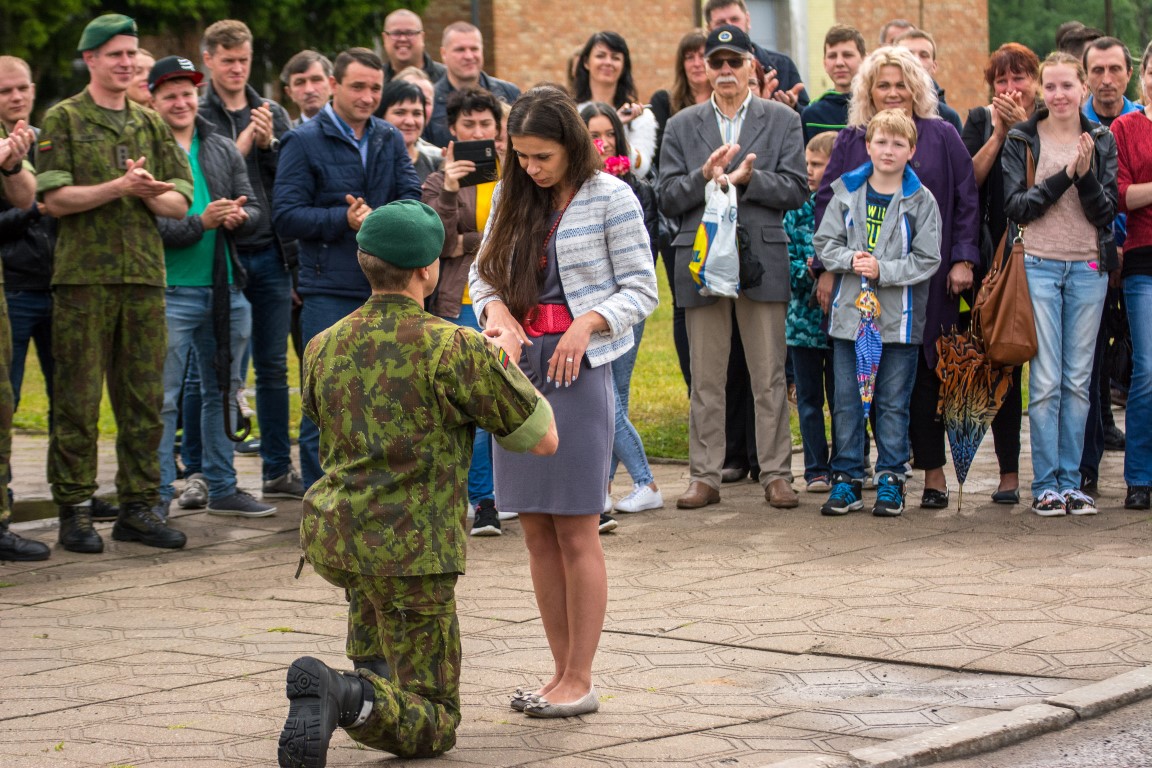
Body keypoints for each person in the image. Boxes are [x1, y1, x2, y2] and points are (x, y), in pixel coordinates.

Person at [277, 200, 558, 767]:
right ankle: (343, 694)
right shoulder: (452, 345)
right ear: (428, 270)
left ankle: (358, 692)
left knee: (383, 671)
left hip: (340, 538)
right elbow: (541, 437)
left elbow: (325, 421)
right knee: (434, 722)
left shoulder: (321, 344)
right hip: (412, 550)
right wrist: (501, 362)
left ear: (364, 262)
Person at [469, 85, 657, 716]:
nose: (530, 167)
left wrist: (589, 323)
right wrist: (497, 313)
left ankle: (581, 677)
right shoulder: (511, 195)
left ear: (571, 145)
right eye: (520, 155)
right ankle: (557, 675)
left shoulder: (612, 197)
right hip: (519, 374)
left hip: (580, 372)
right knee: (535, 530)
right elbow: (481, 276)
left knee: (576, 528)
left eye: (541, 156)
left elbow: (642, 288)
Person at [37, 13, 192, 553]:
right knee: (77, 401)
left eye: (131, 53)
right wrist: (119, 187)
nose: (126, 63)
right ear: (91, 60)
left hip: (144, 277)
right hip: (83, 279)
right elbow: (55, 200)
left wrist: (148, 192)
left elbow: (181, 201)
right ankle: (75, 509)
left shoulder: (149, 122)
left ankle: (138, 508)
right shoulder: (63, 118)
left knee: (144, 400)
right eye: (116, 55)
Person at [814, 46, 979, 511]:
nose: (891, 92)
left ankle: (899, 475)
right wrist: (836, 266)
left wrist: (959, 259)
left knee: (901, 394)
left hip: (909, 306)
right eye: (882, 85)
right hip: (852, 310)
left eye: (900, 84)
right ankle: (847, 476)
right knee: (848, 398)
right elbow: (825, 221)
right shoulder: (850, 163)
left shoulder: (937, 148)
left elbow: (962, 206)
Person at [659, 24, 809, 511]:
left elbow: (796, 187)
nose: (725, 70)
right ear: (705, 69)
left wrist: (748, 180)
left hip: (760, 259)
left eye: (735, 61)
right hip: (701, 261)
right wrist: (704, 176)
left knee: (768, 375)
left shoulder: (783, 119)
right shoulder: (681, 125)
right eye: (716, 62)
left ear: (752, 67)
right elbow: (666, 196)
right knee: (706, 378)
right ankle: (704, 476)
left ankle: (777, 474)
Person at [273, 47, 422, 491]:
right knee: (326, 400)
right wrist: (344, 219)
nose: (368, 97)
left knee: (385, 398)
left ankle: (375, 498)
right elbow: (285, 215)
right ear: (334, 85)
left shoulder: (388, 136)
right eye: (358, 87)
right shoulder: (302, 141)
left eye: (375, 88)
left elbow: (412, 196)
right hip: (328, 289)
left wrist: (382, 217)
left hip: (387, 287)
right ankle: (321, 504)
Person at [148, 56, 272, 519]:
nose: (181, 102)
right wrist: (202, 222)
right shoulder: (147, 150)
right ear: (153, 101)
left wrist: (239, 217)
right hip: (169, 289)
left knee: (224, 391)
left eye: (187, 94)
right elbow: (150, 225)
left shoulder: (219, 145)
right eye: (170, 95)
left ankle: (222, 487)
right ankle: (157, 494)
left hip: (225, 289)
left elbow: (256, 209)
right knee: (162, 398)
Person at [1003, 52, 1117, 516]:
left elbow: (1106, 212)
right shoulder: (1022, 137)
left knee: (1077, 381)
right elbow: (1017, 206)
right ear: (1040, 90)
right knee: (1047, 381)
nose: (1058, 94)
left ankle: (1072, 483)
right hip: (1038, 265)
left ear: (1083, 89)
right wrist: (1067, 175)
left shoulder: (1101, 139)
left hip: (1088, 268)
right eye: (1050, 86)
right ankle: (1045, 485)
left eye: (1067, 85)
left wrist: (1085, 176)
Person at [813, 108, 942, 516]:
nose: (888, 150)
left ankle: (891, 478)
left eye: (898, 143)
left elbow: (928, 258)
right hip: (850, 320)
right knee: (847, 401)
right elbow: (824, 243)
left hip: (897, 321)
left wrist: (883, 270)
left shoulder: (921, 200)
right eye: (881, 142)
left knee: (891, 403)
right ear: (867, 146)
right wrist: (851, 260)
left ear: (911, 150)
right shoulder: (845, 192)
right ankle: (847, 478)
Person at [199, 19, 303, 501]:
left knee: (274, 369)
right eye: (228, 61)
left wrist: (270, 146)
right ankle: (206, 474)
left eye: (243, 60)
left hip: (271, 253)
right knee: (217, 372)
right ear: (209, 61)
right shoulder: (201, 114)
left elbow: (289, 181)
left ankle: (277, 470)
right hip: (222, 258)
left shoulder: (270, 111)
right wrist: (244, 146)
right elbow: (208, 179)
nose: (237, 69)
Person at [421, 87, 508, 535]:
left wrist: (467, 242)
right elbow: (435, 243)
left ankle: (517, 491)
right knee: (473, 406)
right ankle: (484, 500)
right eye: (468, 125)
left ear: (498, 129)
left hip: (513, 303)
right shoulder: (438, 182)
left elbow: (520, 236)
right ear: (452, 132)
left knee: (516, 400)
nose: (477, 132)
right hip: (462, 305)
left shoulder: (517, 174)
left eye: (485, 124)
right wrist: (452, 191)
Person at [961, 42, 1041, 505]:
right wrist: (998, 133)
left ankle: (1060, 472)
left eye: (1019, 78)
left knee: (1052, 373)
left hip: (1046, 256)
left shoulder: (1049, 120)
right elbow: (968, 183)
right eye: (1001, 80)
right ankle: (1008, 473)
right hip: (997, 263)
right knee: (1002, 364)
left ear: (1035, 81)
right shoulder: (978, 120)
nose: (1010, 88)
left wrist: (1024, 130)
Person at [579, 102, 663, 519]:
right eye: (593, 134)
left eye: (609, 133)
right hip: (588, 304)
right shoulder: (576, 188)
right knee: (613, 400)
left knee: (611, 399)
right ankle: (605, 488)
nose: (603, 142)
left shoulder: (637, 188)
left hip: (624, 305)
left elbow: (643, 254)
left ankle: (645, 482)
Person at [1079, 36, 1138, 492]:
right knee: (1090, 366)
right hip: (1090, 260)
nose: (1106, 79)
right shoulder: (1073, 123)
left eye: (1114, 69)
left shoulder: (1139, 121)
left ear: (1129, 74)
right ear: (1086, 77)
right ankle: (1087, 469)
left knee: (1137, 363)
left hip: (1137, 255)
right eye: (1097, 70)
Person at [0, 84, 47, 560]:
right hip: (15, 285)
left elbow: (22, 198)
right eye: (4, 90)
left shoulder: (30, 137)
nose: (15, 96)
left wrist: (12, 165)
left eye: (21, 88)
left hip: (43, 283)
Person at [648, 30, 709, 390]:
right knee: (684, 305)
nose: (697, 63)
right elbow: (660, 161)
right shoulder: (665, 102)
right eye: (689, 56)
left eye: (703, 55)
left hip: (718, 214)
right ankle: (694, 388)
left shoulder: (726, 104)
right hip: (676, 222)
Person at [785, 130, 837, 494]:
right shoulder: (795, 211)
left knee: (843, 399)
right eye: (807, 163)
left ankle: (853, 461)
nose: (809, 171)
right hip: (802, 327)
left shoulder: (844, 209)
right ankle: (816, 469)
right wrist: (810, 271)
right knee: (808, 401)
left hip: (839, 325)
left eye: (817, 165)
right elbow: (786, 264)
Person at [1112, 41, 1152, 510]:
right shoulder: (1126, 127)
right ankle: (1140, 476)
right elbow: (1120, 194)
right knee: (1148, 371)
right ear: (1144, 76)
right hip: (1144, 259)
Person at [573, 31, 658, 180]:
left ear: (624, 65)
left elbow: (641, 169)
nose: (608, 62)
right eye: (600, 56)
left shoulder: (641, 116)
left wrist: (616, 129)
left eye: (615, 57)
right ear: (586, 62)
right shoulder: (571, 112)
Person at [426, 22, 520, 148]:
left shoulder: (510, 93)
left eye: (474, 49)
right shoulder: (429, 100)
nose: (469, 56)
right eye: (460, 50)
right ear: (444, 53)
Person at [703, 0, 809, 110]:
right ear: (709, 29)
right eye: (721, 22)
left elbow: (807, 116)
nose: (730, 26)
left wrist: (792, 107)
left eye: (735, 19)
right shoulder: (699, 70)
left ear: (748, 20)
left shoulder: (783, 65)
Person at [801, 25, 866, 143]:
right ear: (825, 63)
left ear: (864, 60)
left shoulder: (874, 107)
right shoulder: (811, 115)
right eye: (832, 56)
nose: (839, 63)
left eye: (847, 55)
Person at [893, 30, 963, 134]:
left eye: (924, 55)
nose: (916, 60)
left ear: (934, 66)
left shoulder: (948, 117)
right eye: (908, 54)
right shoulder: (875, 106)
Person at [379, 80, 440, 182]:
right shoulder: (367, 161)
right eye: (400, 113)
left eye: (417, 114)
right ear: (382, 116)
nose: (410, 121)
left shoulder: (436, 164)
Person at [380, 9, 445, 84]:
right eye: (396, 33)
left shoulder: (446, 78)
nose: (403, 39)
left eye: (410, 33)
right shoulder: (376, 80)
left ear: (422, 37)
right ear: (385, 38)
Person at [280, 50, 333, 125]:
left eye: (316, 80)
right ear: (289, 93)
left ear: (332, 85)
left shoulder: (349, 128)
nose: (309, 90)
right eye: (300, 83)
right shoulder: (286, 132)